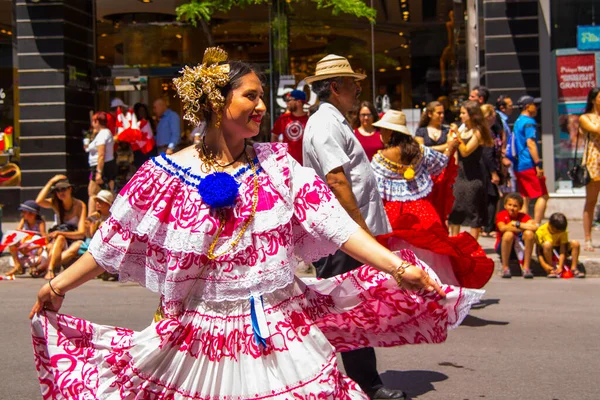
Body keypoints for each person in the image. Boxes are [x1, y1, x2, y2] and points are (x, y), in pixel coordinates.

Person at [30, 48, 481, 400]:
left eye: (262, 96)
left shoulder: (279, 168)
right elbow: (110, 243)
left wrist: (398, 267)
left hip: (282, 330)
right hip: (199, 337)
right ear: (214, 101)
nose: (262, 106)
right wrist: (56, 287)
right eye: (251, 95)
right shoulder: (162, 176)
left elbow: (333, 224)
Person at [302, 54, 404, 400]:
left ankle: (355, 383)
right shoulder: (325, 124)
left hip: (345, 235)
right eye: (352, 83)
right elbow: (336, 180)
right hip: (341, 238)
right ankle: (365, 386)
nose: (359, 88)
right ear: (335, 87)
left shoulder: (335, 121)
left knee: (352, 312)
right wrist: (362, 234)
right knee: (348, 314)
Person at [371, 109, 493, 289]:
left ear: (390, 132)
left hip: (394, 215)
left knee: (396, 260)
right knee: (431, 257)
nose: (380, 134)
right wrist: (450, 148)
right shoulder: (419, 151)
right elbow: (441, 166)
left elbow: (372, 188)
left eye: (382, 130)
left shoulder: (380, 158)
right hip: (423, 212)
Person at [448, 101, 494, 240]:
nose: (460, 116)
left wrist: (457, 135)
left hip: (473, 175)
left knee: (474, 210)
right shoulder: (463, 129)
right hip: (460, 174)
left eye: (463, 113)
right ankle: (454, 240)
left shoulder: (478, 131)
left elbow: (466, 151)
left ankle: (473, 245)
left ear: (472, 115)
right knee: (455, 208)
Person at [35, 175, 86, 280]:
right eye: (57, 190)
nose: (61, 192)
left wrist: (61, 233)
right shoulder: (56, 204)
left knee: (72, 246)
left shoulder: (80, 205)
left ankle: (47, 267)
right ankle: (50, 268)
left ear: (70, 189)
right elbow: (39, 201)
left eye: (63, 189)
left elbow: (81, 233)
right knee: (59, 239)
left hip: (74, 238)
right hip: (60, 240)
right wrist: (50, 182)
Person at [512, 95, 548, 224]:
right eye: (535, 105)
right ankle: (536, 225)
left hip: (519, 165)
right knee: (543, 195)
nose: (537, 108)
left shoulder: (517, 121)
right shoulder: (529, 122)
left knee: (524, 197)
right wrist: (538, 163)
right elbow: (531, 144)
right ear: (528, 107)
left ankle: (523, 227)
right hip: (528, 164)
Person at [495, 193, 538, 279]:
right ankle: (505, 268)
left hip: (520, 248)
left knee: (529, 234)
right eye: (509, 205)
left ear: (520, 207)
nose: (512, 208)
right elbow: (502, 227)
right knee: (508, 234)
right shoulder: (501, 215)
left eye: (515, 206)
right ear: (505, 206)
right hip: (504, 248)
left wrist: (517, 224)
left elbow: (534, 227)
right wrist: (521, 228)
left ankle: (526, 268)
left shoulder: (524, 217)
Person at [578, 88, 600, 251]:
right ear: (593, 99)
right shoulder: (585, 117)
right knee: (591, 201)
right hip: (594, 161)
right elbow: (595, 129)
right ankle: (587, 238)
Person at [85, 112, 117, 215]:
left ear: (97, 121)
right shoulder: (101, 134)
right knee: (105, 194)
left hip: (101, 166)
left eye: (94, 121)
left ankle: (91, 219)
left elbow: (101, 154)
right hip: (102, 166)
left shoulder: (103, 134)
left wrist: (99, 172)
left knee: (93, 193)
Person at [6, 200, 47, 277]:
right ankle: (17, 265)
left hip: (35, 245)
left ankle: (35, 266)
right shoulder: (24, 220)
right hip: (26, 244)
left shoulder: (40, 222)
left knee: (41, 249)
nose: (22, 214)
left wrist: (33, 247)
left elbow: (44, 238)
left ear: (33, 214)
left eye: (24, 212)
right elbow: (17, 232)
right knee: (11, 240)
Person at [535, 213, 583, 278]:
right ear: (549, 224)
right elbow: (538, 252)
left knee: (575, 244)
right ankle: (552, 268)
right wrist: (544, 265)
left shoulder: (562, 231)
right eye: (556, 231)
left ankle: (573, 268)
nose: (558, 233)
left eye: (560, 232)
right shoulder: (540, 231)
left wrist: (560, 266)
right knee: (547, 245)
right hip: (547, 252)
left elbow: (562, 249)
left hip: (558, 250)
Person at [480, 104, 503, 237]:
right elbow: (487, 154)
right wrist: (493, 173)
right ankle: (487, 227)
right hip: (486, 169)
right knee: (492, 196)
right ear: (488, 116)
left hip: (490, 167)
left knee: (491, 197)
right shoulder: (485, 132)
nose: (495, 116)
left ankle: (487, 226)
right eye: (493, 113)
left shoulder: (490, 130)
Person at [270, 89, 308, 164]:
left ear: (299, 102)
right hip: (287, 163)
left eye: (289, 100)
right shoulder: (283, 118)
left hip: (305, 164)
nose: (287, 103)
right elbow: (274, 136)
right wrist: (275, 155)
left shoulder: (309, 119)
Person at [496, 95, 516, 192]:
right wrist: (503, 157)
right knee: (507, 190)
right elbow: (501, 139)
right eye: (510, 106)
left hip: (506, 158)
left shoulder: (503, 120)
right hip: (504, 159)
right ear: (502, 108)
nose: (513, 108)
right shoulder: (501, 121)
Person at [132, 102, 157, 169]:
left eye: (143, 111)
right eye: (140, 111)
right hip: (139, 152)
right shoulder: (134, 124)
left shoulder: (150, 122)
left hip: (151, 150)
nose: (142, 113)